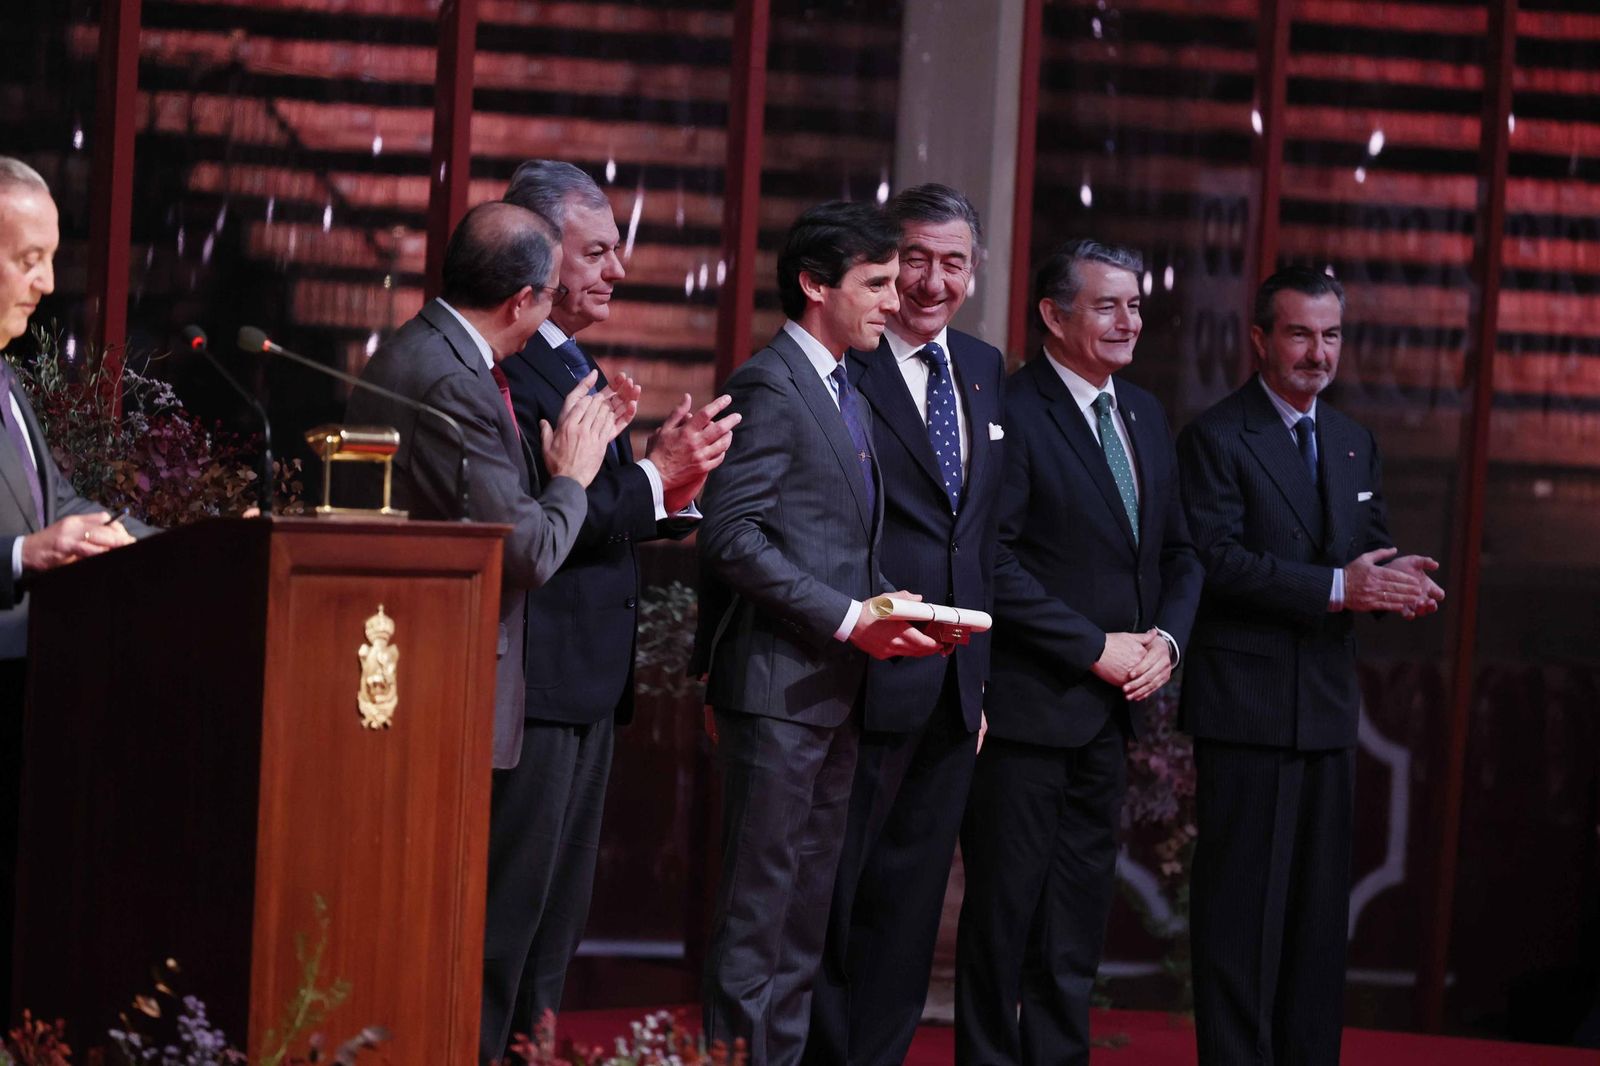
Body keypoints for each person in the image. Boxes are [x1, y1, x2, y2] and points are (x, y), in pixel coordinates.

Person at [481, 160, 737, 1054]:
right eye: (596, 253)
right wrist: (652, 485)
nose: (615, 273)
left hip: (586, 683)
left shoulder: (567, 356)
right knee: (507, 923)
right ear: (537, 253)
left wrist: (664, 480)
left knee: (554, 923)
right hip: (537, 678)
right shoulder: (504, 369)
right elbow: (551, 515)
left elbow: (594, 503)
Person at [692, 200, 943, 1065]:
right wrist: (847, 618)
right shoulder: (770, 385)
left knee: (802, 926)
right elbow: (730, 537)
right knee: (757, 921)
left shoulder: (845, 386)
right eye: (876, 283)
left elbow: (839, 541)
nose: (895, 298)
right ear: (813, 284)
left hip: (836, 693)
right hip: (777, 689)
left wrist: (899, 612)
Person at [1177, 266, 1442, 1066]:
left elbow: (1370, 549)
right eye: (1299, 333)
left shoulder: (1356, 439)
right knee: (1239, 923)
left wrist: (1396, 584)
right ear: (1259, 339)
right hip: (1246, 711)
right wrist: (1339, 586)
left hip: (1327, 709)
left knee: (1318, 925)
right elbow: (1215, 562)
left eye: (1330, 336)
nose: (1317, 353)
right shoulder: (1216, 437)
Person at [956, 239, 1203, 1065]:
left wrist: (1167, 638)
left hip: (1111, 719)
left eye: (1135, 305)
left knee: (1074, 929)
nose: (1128, 320)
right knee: (1002, 927)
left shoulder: (1141, 413)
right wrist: (1091, 645)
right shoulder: (1013, 411)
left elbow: (1181, 552)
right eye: (1107, 305)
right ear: (1054, 316)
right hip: (1028, 712)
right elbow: (995, 561)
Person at [805, 183, 1006, 1066]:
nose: (931, 282)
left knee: (911, 912)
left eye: (952, 262)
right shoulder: (845, 360)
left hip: (956, 685)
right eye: (914, 260)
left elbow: (987, 531)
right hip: (860, 669)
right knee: (835, 901)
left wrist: (984, 680)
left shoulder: (989, 369)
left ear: (976, 272)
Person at [347, 201, 624, 796]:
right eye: (551, 295)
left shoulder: (428, 347)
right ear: (521, 301)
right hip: (444, 675)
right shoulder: (452, 383)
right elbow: (529, 551)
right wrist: (571, 477)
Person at [0, 156, 149, 1014]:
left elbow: (60, 505)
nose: (48, 284)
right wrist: (20, 558)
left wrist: (164, 539)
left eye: (52, 258)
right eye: (29, 259)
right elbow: (29, 536)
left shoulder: (9, 380)